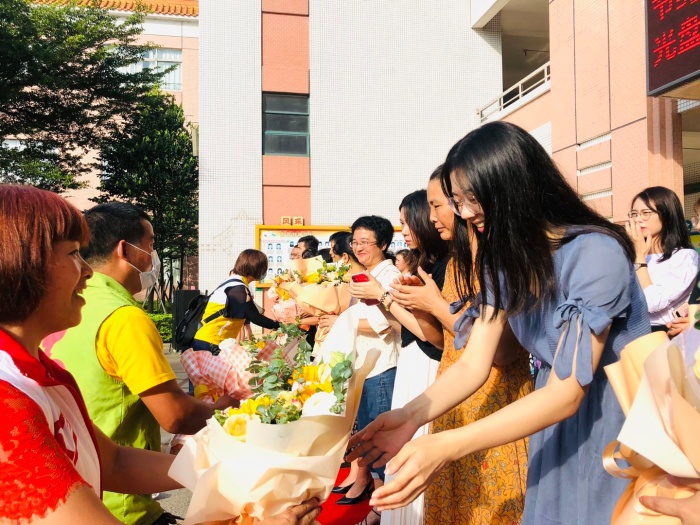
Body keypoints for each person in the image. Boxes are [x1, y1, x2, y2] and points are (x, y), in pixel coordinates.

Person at [347, 121, 651, 525]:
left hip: (611, 423)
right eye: (458, 201)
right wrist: (411, 416)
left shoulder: (594, 252)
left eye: (473, 199)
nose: (466, 213)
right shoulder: (505, 261)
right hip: (549, 422)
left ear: (514, 186)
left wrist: (448, 446)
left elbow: (567, 392)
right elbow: (475, 362)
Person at [0, 185, 321, 525]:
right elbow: (173, 416)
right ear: (22, 264)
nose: (87, 270)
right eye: (73, 253)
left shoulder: (43, 372)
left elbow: (114, 463)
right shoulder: (9, 402)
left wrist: (229, 471)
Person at [48, 202, 237, 525]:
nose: (153, 257)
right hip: (120, 503)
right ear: (125, 249)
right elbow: (174, 415)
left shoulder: (70, 307)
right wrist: (228, 412)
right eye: (150, 245)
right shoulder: (124, 318)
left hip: (70, 491)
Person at [388, 168, 532, 525]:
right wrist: (419, 305)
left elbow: (502, 353)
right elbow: (442, 340)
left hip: (494, 403)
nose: (431, 216)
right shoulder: (455, 263)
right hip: (453, 399)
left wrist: (435, 305)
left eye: (438, 205)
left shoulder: (500, 261)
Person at [320, 216, 401, 516]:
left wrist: (342, 322)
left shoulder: (388, 276)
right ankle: (376, 498)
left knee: (378, 439)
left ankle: (384, 507)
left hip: (381, 367)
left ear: (383, 244)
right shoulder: (366, 274)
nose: (359, 247)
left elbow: (384, 324)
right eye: (355, 242)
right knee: (367, 434)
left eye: (366, 242)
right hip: (365, 365)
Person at [626, 187, 698, 333]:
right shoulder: (628, 256)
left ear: (666, 214)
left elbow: (652, 303)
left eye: (646, 213)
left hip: (662, 334)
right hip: (628, 333)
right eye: (634, 214)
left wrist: (639, 259)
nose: (638, 219)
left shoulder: (685, 256)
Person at [193, 249, 280, 353]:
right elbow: (255, 317)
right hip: (211, 343)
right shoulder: (237, 288)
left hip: (212, 341)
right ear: (256, 267)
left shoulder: (234, 283)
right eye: (264, 268)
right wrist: (281, 326)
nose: (265, 272)